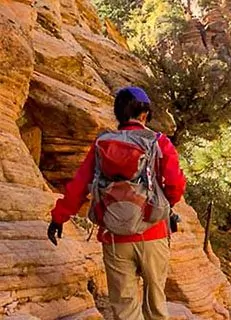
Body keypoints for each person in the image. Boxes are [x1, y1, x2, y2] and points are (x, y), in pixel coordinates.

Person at [47, 87, 186, 320]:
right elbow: (175, 185)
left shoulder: (102, 143)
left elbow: (79, 185)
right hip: (153, 235)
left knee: (124, 308)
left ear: (118, 114)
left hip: (114, 237)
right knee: (156, 306)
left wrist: (59, 217)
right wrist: (161, 207)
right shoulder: (159, 142)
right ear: (144, 115)